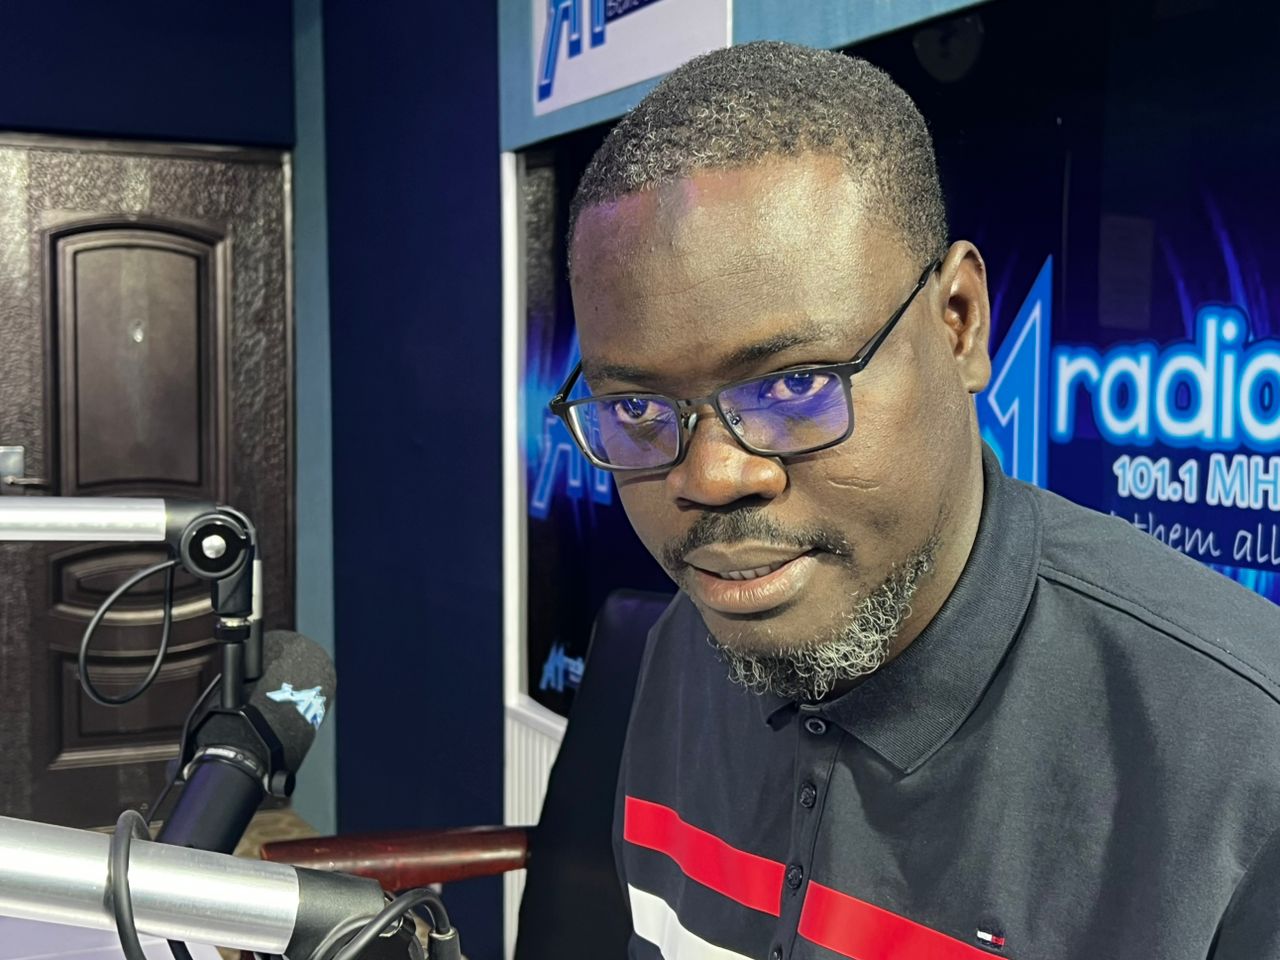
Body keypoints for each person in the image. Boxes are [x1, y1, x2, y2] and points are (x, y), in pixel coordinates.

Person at [551, 40, 1280, 960]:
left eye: (795, 383)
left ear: (960, 323)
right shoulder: (687, 642)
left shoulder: (1247, 763)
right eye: (637, 408)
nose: (710, 478)